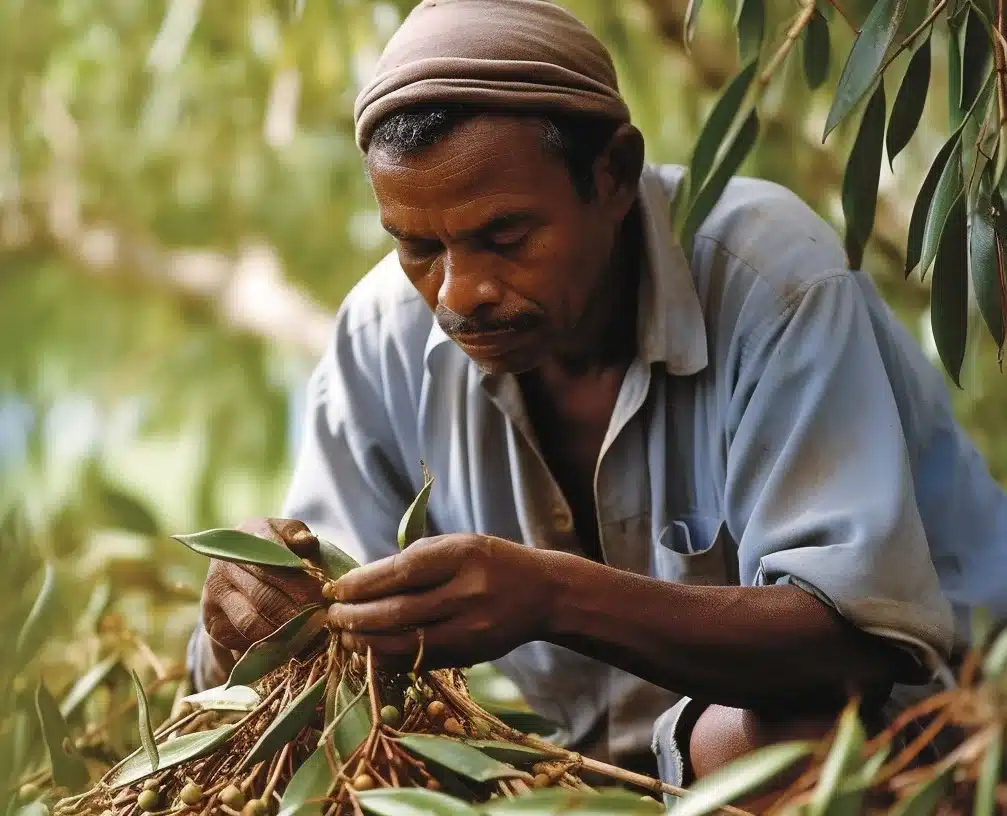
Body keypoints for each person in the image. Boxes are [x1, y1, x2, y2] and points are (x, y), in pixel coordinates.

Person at [188, 0, 1007, 797]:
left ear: (613, 173)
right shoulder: (381, 335)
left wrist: (551, 596)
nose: (458, 292)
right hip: (602, 773)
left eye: (505, 238)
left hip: (942, 720)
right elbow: (316, 655)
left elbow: (855, 648)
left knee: (763, 749)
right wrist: (253, 619)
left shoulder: (770, 278)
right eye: (417, 247)